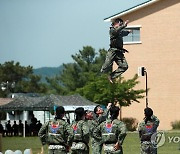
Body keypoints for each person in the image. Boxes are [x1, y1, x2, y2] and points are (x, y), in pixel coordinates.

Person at [101, 18, 131, 83]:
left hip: (119, 52)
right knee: (107, 65)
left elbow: (123, 33)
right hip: (113, 51)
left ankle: (111, 76)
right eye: (120, 24)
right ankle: (99, 76)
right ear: (117, 23)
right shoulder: (112, 30)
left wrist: (128, 32)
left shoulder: (119, 32)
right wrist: (124, 26)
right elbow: (116, 31)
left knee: (124, 66)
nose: (121, 25)